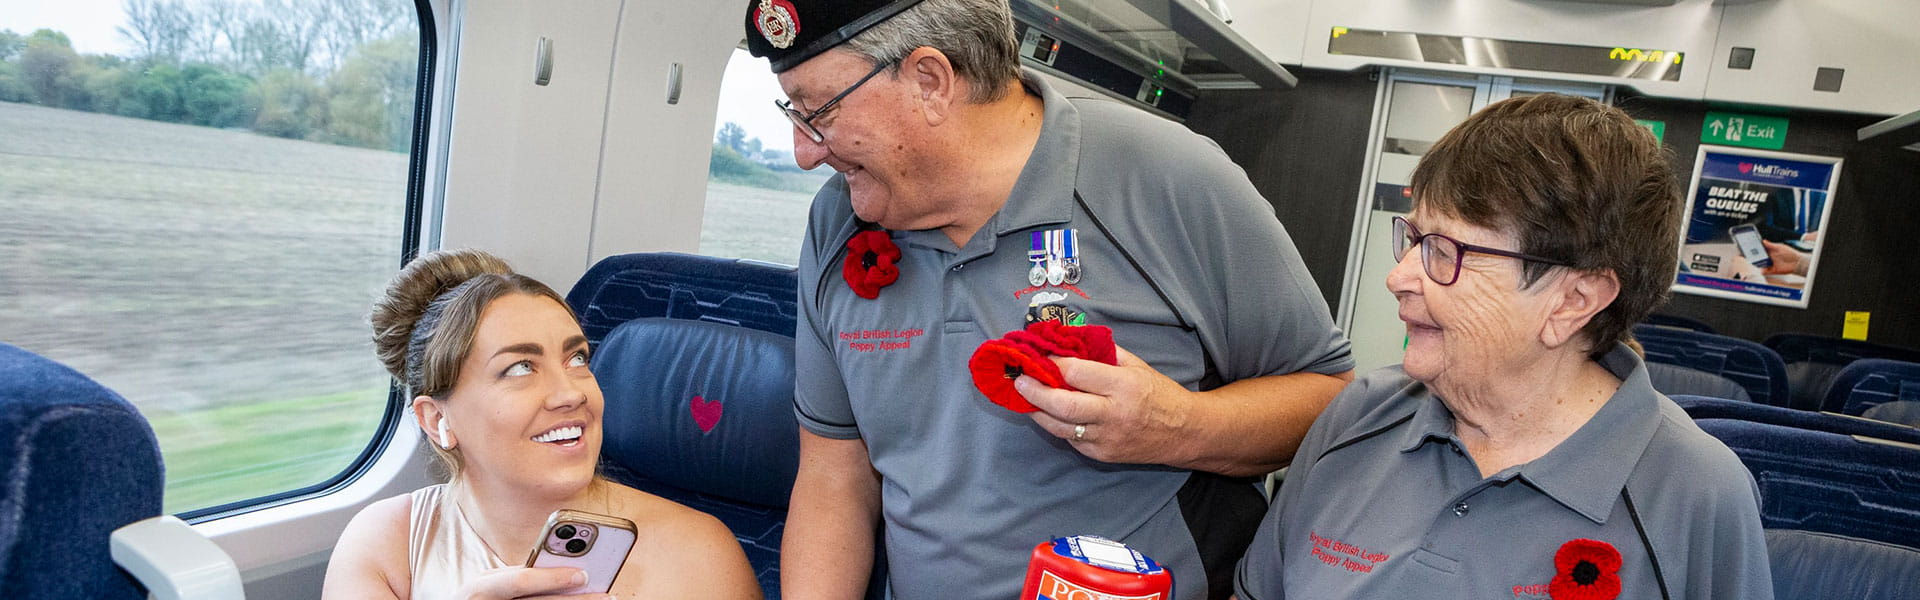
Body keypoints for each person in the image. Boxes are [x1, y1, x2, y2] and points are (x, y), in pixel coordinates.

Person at [745, 1, 1354, 598]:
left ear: (929, 80)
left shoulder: (1167, 176)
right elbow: (834, 478)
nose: (805, 152)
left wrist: (1179, 427)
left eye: (816, 112)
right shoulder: (838, 222)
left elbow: (1332, 400)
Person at [1233, 94, 1773, 599]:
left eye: (1445, 251)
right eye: (1415, 239)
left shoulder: (1697, 495)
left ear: (1574, 299)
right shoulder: (1359, 414)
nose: (1398, 277)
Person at [321, 249, 760, 600]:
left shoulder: (697, 554)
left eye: (577, 358)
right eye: (519, 368)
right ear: (437, 419)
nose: (571, 392)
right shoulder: (386, 544)